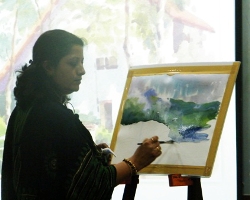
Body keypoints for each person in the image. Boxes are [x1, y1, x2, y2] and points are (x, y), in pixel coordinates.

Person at [1, 29, 162, 200]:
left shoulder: (24, 110)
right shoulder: (56, 116)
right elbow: (93, 184)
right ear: (48, 67)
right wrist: (136, 160)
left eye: (82, 62)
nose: (82, 70)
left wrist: (91, 157)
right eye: (73, 63)